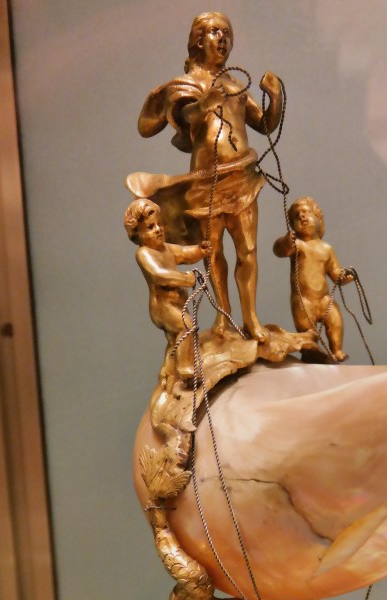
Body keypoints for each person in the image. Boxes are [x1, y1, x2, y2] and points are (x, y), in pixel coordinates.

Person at [132, 11, 283, 342]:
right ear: (199, 40)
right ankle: (224, 317)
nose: (222, 39)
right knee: (212, 251)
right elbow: (184, 115)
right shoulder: (188, 83)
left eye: (226, 33)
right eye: (215, 32)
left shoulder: (235, 86)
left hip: (242, 176)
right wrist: (205, 104)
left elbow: (264, 125)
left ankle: (251, 319)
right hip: (206, 181)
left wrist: (275, 97)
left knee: (248, 250)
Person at [124, 197, 210, 377]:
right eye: (150, 227)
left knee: (174, 341)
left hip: (176, 304)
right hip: (163, 307)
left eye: (159, 224)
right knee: (186, 326)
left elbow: (184, 253)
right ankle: (185, 368)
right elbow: (159, 276)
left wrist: (199, 251)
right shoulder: (144, 254)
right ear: (137, 234)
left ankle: (168, 371)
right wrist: (185, 279)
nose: (158, 230)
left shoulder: (165, 248)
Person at [273, 196, 352, 362]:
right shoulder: (297, 245)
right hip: (304, 301)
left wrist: (344, 277)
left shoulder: (327, 248)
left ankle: (336, 350)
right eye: (297, 216)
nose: (301, 216)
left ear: (318, 217)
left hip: (324, 299)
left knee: (336, 321)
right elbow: (279, 250)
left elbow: (335, 273)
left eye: (306, 212)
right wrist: (286, 242)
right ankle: (309, 351)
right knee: (307, 332)